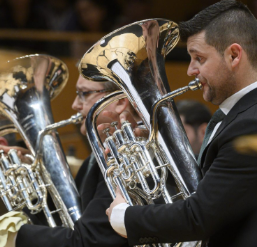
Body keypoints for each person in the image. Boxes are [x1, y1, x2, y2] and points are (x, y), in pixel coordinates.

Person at [106, 1, 257, 246]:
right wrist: (152, 156)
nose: (190, 70)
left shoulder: (250, 123)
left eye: (199, 58)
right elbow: (212, 198)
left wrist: (125, 216)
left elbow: (198, 217)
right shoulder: (238, 116)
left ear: (234, 55)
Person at [0, 75, 139, 247]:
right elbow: (70, 222)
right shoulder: (95, 160)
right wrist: (38, 182)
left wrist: (14, 234)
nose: (75, 105)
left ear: (119, 102)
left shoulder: (133, 156)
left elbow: (90, 239)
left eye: (84, 93)